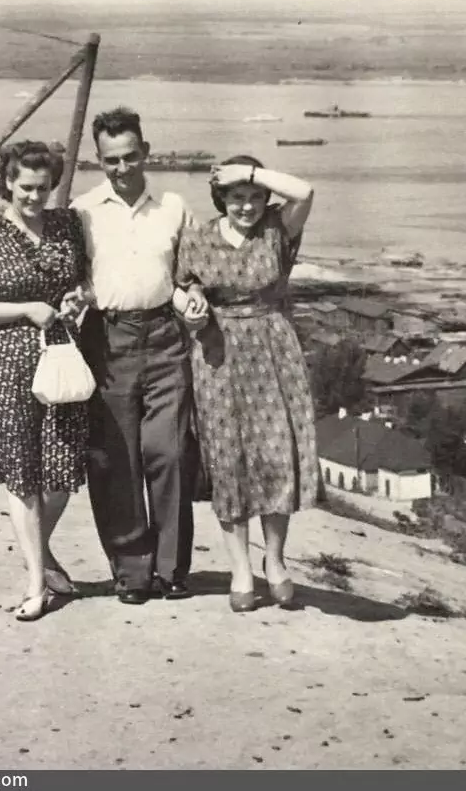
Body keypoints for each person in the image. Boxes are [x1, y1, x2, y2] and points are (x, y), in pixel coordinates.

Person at [71, 107, 208, 605]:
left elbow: (191, 271)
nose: (122, 168)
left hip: (166, 338)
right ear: (99, 161)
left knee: (169, 452)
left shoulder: (173, 206)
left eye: (130, 157)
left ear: (145, 152)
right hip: (107, 342)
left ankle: (171, 568)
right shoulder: (83, 210)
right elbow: (77, 277)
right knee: (116, 460)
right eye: (111, 160)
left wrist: (191, 296)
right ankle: (132, 571)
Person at [0, 140, 89, 622]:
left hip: (60, 357)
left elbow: (82, 282)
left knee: (64, 467)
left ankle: (41, 552)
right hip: (2, 362)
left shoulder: (67, 226)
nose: (34, 197)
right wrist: (27, 309)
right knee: (22, 472)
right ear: (7, 182)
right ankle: (36, 584)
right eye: (25, 187)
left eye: (43, 188)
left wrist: (74, 299)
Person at [174, 155, 318, 613]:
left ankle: (274, 562)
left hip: (274, 348)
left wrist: (249, 173)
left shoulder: (278, 230)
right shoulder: (198, 237)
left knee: (277, 454)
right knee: (228, 459)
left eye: (255, 197)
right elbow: (186, 286)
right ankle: (241, 570)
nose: (247, 206)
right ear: (221, 198)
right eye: (237, 197)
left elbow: (306, 190)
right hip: (218, 351)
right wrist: (192, 302)